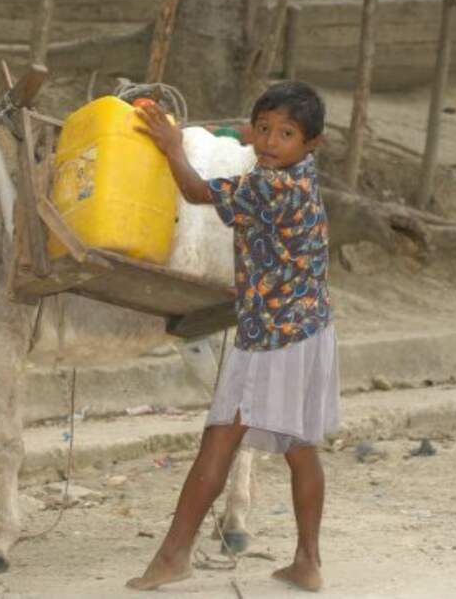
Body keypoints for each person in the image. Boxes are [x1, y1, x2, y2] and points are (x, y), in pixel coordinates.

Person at [127, 81, 339, 592]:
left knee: (219, 441)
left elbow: (196, 192)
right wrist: (236, 132)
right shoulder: (302, 173)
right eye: (263, 129)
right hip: (309, 331)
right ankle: (307, 561)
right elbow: (255, 142)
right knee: (300, 447)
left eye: (285, 134)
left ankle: (174, 555)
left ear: (312, 142)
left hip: (271, 338)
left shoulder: (270, 187)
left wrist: (173, 147)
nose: (268, 141)